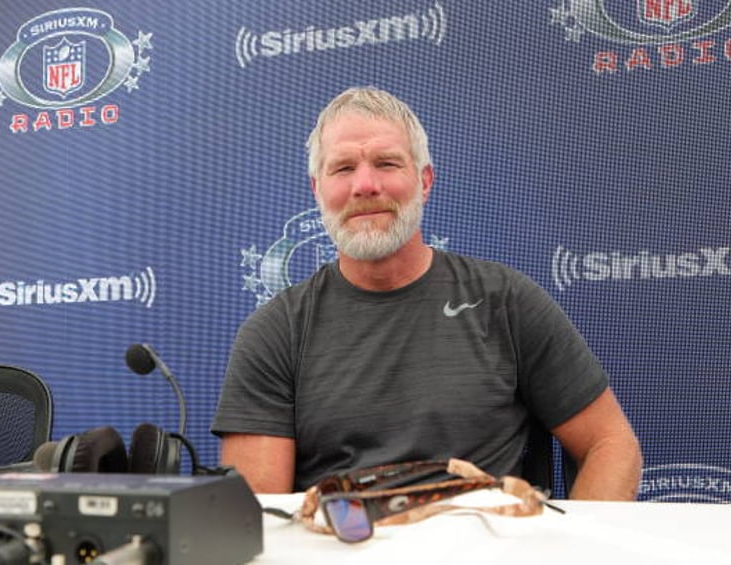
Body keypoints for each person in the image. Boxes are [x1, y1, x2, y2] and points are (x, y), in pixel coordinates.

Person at [211, 86, 642, 499]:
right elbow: (258, 515)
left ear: (425, 180)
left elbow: (611, 445)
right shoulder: (275, 332)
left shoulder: (506, 302)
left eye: (387, 163)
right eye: (343, 168)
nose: (365, 185)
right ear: (318, 189)